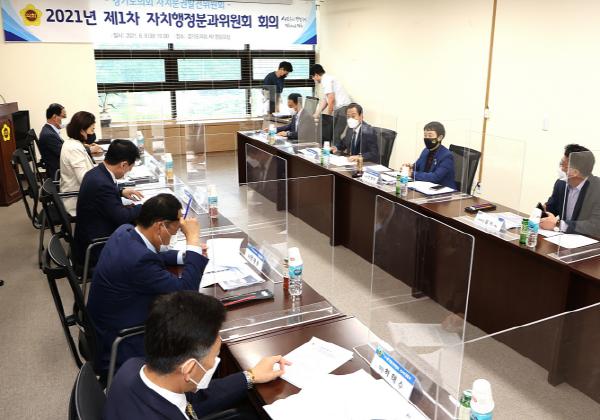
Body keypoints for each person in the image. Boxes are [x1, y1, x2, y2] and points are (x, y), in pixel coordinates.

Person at [104, 291, 290, 420]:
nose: (214, 363)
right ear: (189, 368)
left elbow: (194, 400)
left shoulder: (132, 367)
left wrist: (251, 376)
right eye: (214, 357)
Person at [87, 194, 209, 376]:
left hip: (105, 327)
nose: (173, 237)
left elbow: (152, 254)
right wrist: (193, 240)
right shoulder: (139, 261)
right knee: (198, 330)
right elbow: (187, 290)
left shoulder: (126, 231)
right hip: (124, 342)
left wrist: (185, 256)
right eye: (174, 232)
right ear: (160, 226)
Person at [74, 139, 143, 265]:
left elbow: (103, 195)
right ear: (123, 165)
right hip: (97, 247)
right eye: (129, 169)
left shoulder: (97, 172)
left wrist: (120, 192)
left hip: (89, 235)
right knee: (144, 242)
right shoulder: (102, 184)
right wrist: (144, 207)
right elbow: (122, 217)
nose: (127, 172)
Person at [540, 144, 600, 237]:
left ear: (575, 172)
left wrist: (558, 224)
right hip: (561, 239)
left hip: (589, 242)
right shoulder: (561, 184)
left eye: (563, 165)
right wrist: (542, 212)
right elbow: (551, 208)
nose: (560, 169)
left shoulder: (597, 188)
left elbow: (595, 225)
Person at [60, 111, 98, 215]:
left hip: (80, 194)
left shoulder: (73, 143)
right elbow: (85, 180)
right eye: (92, 130)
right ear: (82, 131)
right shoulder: (74, 149)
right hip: (77, 200)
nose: (93, 133)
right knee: (118, 206)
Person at [310, 64, 352, 144]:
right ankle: (332, 150)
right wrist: (317, 113)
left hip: (343, 108)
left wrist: (329, 116)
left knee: (336, 135)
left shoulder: (326, 80)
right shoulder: (326, 80)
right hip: (339, 109)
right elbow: (325, 100)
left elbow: (331, 99)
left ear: (316, 74)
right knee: (332, 134)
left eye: (312, 77)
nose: (313, 79)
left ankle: (336, 151)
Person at [408, 121, 457, 189]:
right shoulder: (426, 151)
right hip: (425, 187)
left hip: (442, 191)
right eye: (425, 135)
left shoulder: (447, 156)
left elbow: (435, 177)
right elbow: (417, 166)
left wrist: (412, 174)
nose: (427, 138)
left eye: (430, 135)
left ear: (440, 137)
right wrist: (409, 167)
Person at [38, 103, 66, 179]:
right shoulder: (49, 135)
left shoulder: (49, 131)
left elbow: (63, 148)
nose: (64, 121)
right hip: (58, 174)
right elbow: (66, 153)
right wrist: (88, 150)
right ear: (55, 117)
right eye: (63, 117)